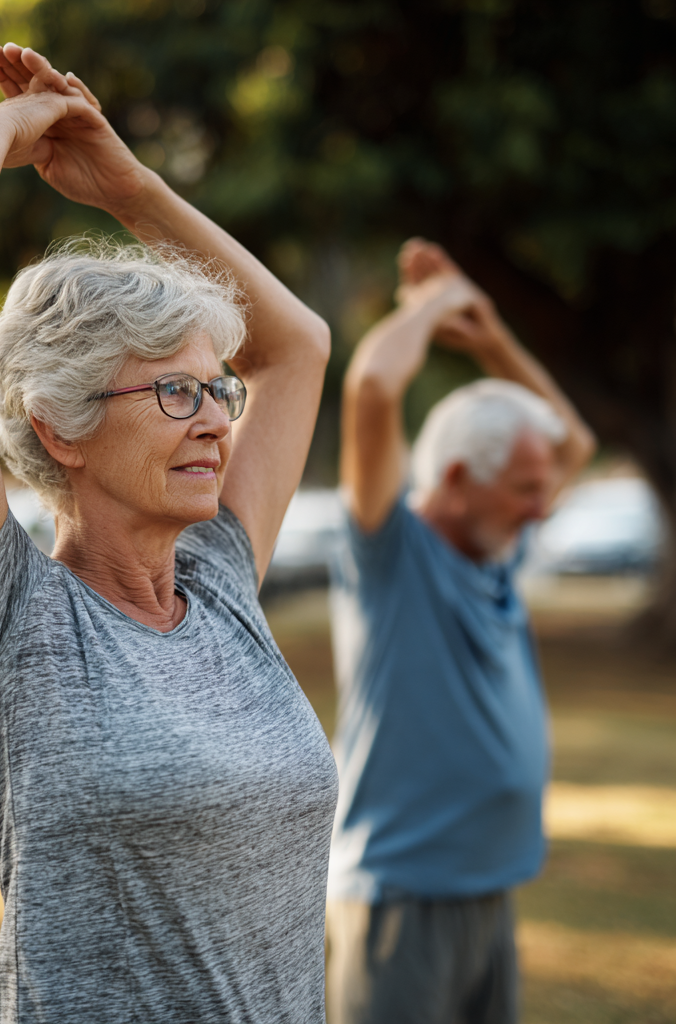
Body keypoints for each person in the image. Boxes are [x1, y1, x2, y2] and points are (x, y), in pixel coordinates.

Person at [0, 42, 338, 1024]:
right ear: (59, 426)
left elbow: (295, 347)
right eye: (176, 391)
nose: (217, 416)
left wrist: (128, 185)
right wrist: (0, 131)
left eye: (216, 387)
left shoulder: (218, 578)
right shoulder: (4, 620)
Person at [325, 239, 597, 1024]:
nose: (543, 508)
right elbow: (373, 386)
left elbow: (571, 441)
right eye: (523, 491)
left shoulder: (498, 554)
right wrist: (436, 305)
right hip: (401, 904)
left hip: (488, 894)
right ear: (454, 481)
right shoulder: (389, 556)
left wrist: (491, 337)